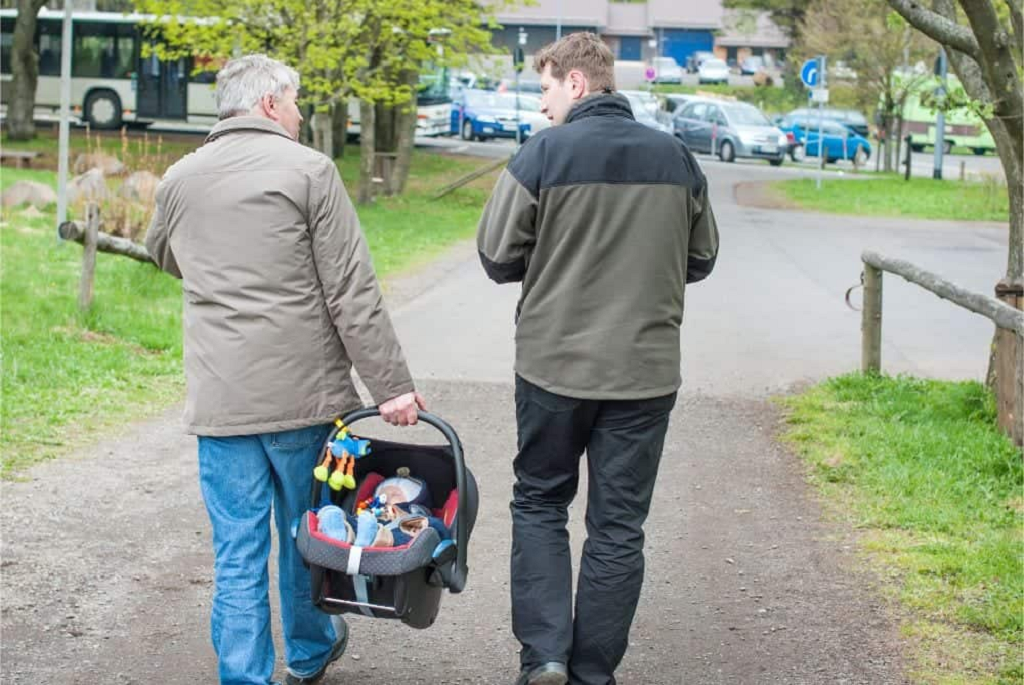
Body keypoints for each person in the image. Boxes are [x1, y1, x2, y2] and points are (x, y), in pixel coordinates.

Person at [145, 54, 426, 685]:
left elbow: (161, 251)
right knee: (310, 533)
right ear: (270, 103)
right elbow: (351, 291)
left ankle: (245, 676)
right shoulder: (309, 172)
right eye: (296, 100)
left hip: (222, 405)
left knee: (237, 554)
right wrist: (392, 388)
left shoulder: (179, 178)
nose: (300, 113)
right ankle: (308, 651)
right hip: (304, 401)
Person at [476, 33, 720, 685]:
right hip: (644, 374)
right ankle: (591, 670)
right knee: (618, 525)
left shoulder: (541, 156)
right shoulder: (677, 159)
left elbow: (497, 256)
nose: (544, 103)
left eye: (547, 88)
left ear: (576, 84)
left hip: (553, 367)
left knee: (539, 500)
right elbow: (701, 259)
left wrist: (557, 258)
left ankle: (545, 656)